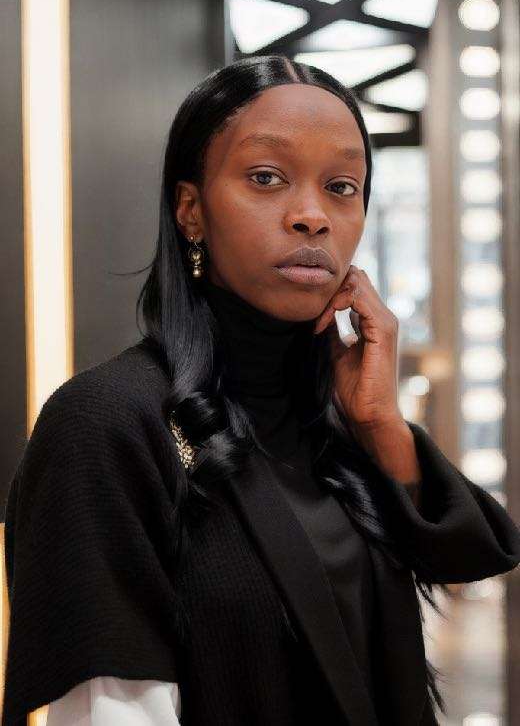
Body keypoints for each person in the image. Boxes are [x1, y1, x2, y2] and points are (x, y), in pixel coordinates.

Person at [2, 55, 520, 726]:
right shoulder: (108, 424)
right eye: (266, 177)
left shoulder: (336, 423)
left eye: (342, 186)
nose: (312, 216)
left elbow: (469, 556)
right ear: (191, 210)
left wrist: (381, 423)